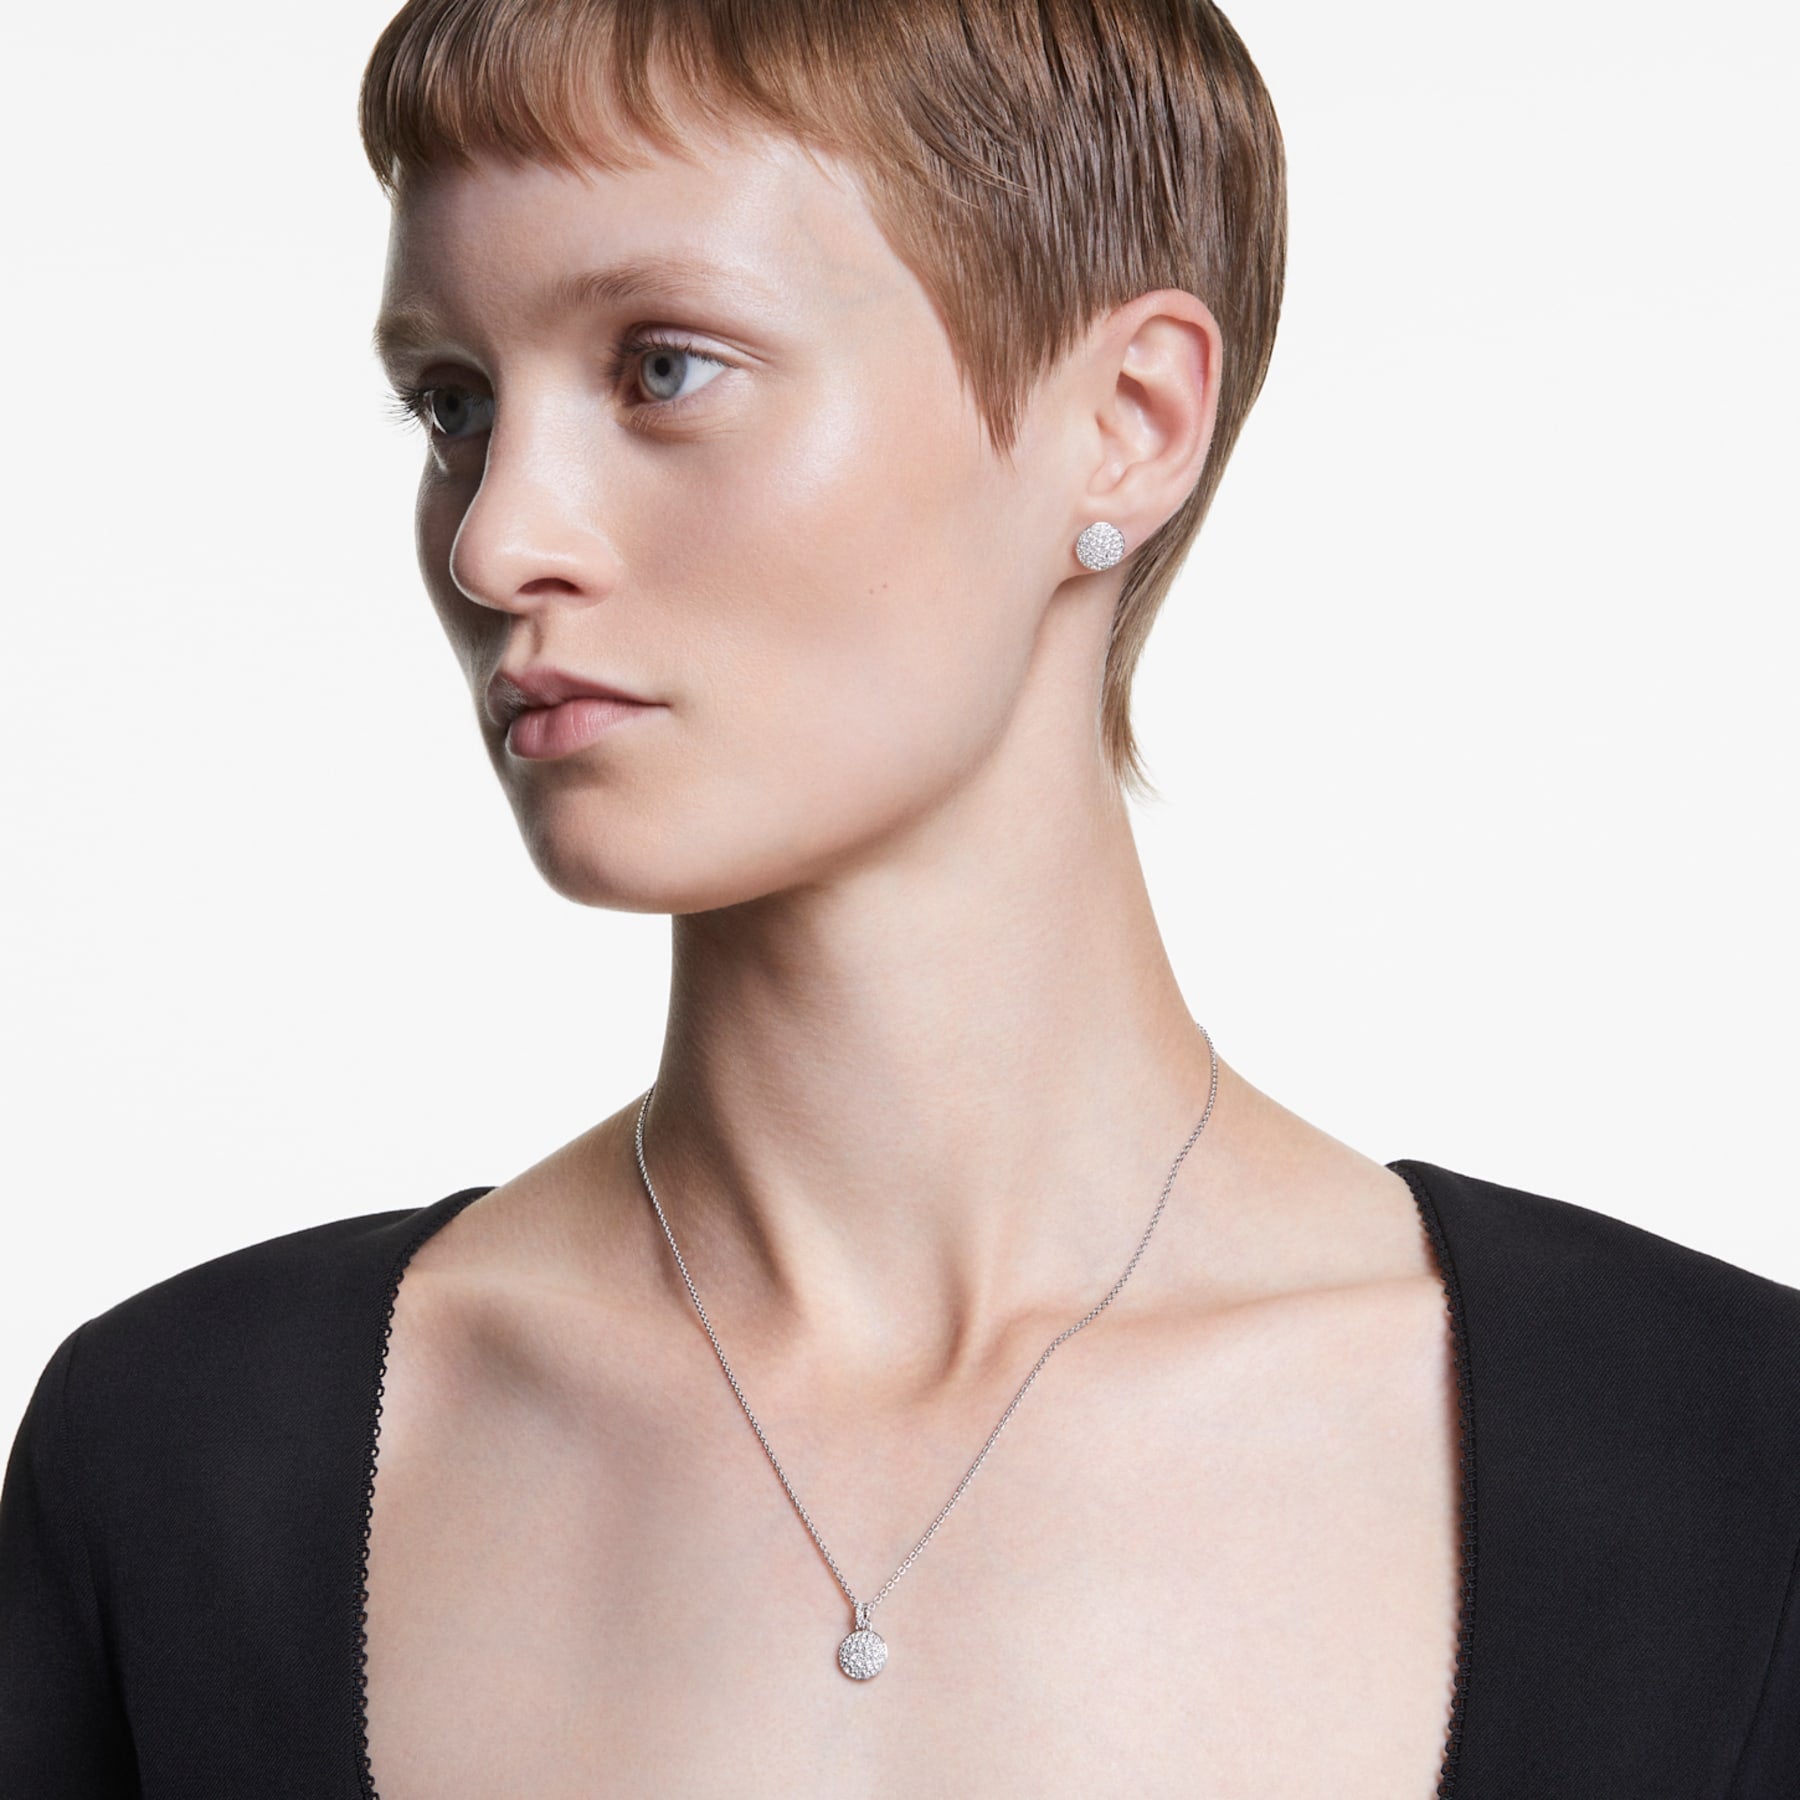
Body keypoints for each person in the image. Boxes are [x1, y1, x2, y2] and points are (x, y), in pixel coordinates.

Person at [3, 1, 1796, 1795]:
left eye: (662, 368)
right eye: (454, 404)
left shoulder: (1726, 1467)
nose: (495, 540)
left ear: (1126, 422)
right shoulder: (185, 1460)